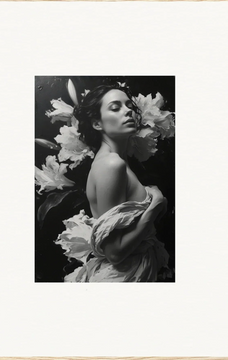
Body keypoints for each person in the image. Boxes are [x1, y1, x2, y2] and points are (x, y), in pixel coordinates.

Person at [62, 84, 170, 282]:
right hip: (123, 277)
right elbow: (115, 253)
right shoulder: (112, 164)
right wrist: (155, 206)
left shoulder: (116, 160)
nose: (128, 110)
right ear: (97, 124)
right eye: (115, 107)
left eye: (129, 105)